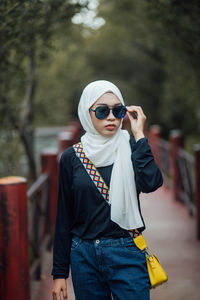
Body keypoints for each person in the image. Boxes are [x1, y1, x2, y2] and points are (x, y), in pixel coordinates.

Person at [51, 80, 163, 300]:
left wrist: (139, 135)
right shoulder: (71, 158)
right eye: (102, 110)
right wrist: (59, 273)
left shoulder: (131, 148)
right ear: (87, 112)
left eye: (118, 110)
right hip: (83, 256)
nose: (111, 117)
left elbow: (152, 183)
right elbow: (64, 216)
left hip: (127, 251)